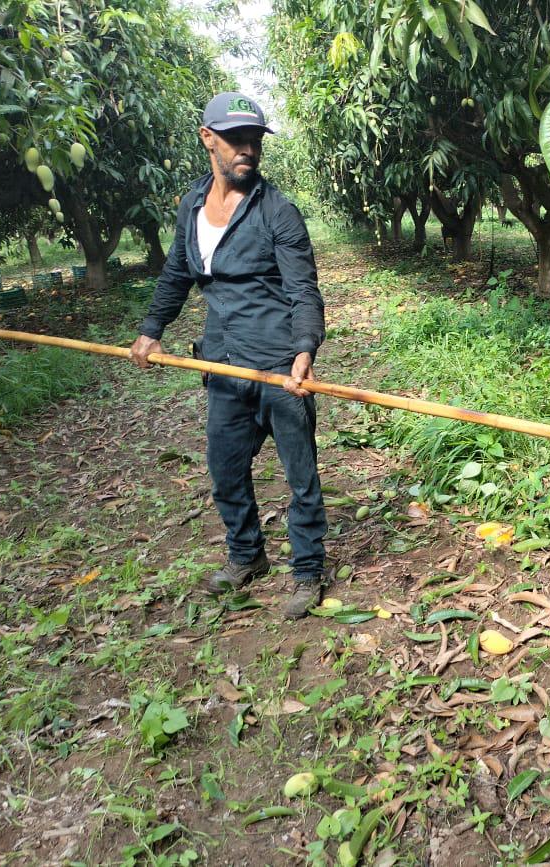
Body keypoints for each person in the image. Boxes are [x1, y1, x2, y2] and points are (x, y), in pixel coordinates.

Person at [130, 92, 328, 620]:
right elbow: (177, 272)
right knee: (225, 470)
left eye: (255, 140)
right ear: (207, 139)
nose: (248, 149)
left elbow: (303, 291)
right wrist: (152, 331)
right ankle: (247, 555)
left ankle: (308, 570)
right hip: (220, 361)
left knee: (300, 476)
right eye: (236, 139)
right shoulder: (192, 205)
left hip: (279, 366)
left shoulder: (278, 212)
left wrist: (305, 350)